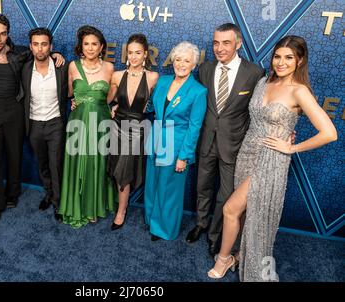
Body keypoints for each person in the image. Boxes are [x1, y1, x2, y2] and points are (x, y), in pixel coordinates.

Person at [207, 35, 337, 281]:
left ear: (299, 61)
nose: (281, 62)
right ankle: (237, 256)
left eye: (288, 58)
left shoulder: (300, 91)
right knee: (245, 212)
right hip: (247, 151)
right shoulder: (263, 82)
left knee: (230, 208)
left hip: (271, 159)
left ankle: (223, 260)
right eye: (277, 56)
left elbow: (329, 133)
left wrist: (291, 148)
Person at [0, 14, 64, 225]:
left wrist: (56, 54)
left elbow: (41, 54)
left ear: (8, 34)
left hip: (15, 114)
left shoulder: (19, 54)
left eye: (3, 33)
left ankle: (13, 193)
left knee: (15, 156)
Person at [186, 23, 265, 256]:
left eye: (226, 43)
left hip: (233, 145)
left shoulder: (254, 73)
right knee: (202, 186)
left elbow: (259, 112)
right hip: (206, 140)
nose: (219, 48)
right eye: (216, 43)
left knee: (226, 194)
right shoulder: (205, 69)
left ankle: (215, 234)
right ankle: (201, 223)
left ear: (238, 43)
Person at [144, 41, 207, 241]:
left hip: (176, 144)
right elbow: (151, 107)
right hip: (155, 139)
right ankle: (152, 220)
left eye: (186, 60)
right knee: (153, 182)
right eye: (178, 59)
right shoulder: (162, 81)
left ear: (193, 64)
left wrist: (184, 156)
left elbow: (194, 127)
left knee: (169, 188)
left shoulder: (198, 91)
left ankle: (165, 228)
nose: (181, 64)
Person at [58, 25, 116, 228]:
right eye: (86, 44)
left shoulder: (109, 68)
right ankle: (77, 204)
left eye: (94, 44)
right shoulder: (73, 66)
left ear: (101, 47)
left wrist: (113, 107)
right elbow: (66, 94)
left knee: (96, 164)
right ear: (81, 46)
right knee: (77, 163)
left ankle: (93, 207)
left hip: (100, 123)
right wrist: (76, 100)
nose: (90, 48)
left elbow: (110, 98)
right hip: (78, 121)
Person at [107, 33, 159, 231]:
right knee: (114, 169)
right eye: (130, 52)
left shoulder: (153, 77)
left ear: (145, 54)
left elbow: (157, 103)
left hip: (136, 130)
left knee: (124, 171)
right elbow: (109, 100)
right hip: (117, 127)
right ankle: (118, 205)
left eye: (138, 53)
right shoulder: (117, 75)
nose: (134, 57)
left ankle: (121, 211)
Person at [22, 27, 68, 222]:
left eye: (44, 44)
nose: (40, 49)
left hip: (55, 123)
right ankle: (48, 194)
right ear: (30, 47)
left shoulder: (62, 67)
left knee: (56, 165)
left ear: (51, 46)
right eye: (36, 44)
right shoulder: (23, 68)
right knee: (42, 164)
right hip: (33, 125)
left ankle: (58, 203)